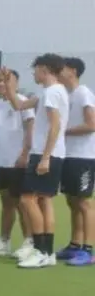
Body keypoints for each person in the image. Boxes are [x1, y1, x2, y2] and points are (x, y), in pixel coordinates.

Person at [0, 54, 69, 269]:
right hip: (51, 153)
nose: (33, 73)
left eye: (36, 69)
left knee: (27, 199)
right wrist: (9, 83)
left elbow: (55, 126)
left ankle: (40, 250)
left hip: (45, 153)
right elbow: (19, 105)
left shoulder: (51, 92)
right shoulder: (49, 92)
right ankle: (47, 253)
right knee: (44, 201)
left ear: (45, 69)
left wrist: (45, 157)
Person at [0, 69, 35, 257]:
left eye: (6, 80)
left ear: (16, 83)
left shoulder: (24, 102)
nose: (2, 84)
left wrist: (25, 153)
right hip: (1, 160)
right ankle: (4, 242)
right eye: (0, 81)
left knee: (22, 203)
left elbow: (30, 130)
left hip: (19, 161)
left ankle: (29, 242)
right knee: (7, 203)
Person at [57, 57, 95, 266]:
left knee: (83, 202)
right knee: (72, 201)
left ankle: (88, 250)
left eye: (60, 69)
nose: (57, 72)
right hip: (68, 155)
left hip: (84, 157)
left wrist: (63, 131)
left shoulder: (83, 93)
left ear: (72, 71)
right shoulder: (67, 95)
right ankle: (75, 244)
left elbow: (92, 124)